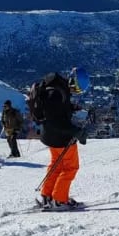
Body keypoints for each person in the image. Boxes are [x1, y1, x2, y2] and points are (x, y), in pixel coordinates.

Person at [33, 68, 88, 210]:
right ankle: (59, 200)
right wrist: (75, 131)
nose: (76, 91)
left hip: (50, 136)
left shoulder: (55, 88)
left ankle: (48, 195)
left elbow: (55, 110)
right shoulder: (56, 93)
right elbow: (55, 121)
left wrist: (71, 108)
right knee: (70, 167)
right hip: (61, 138)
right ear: (72, 80)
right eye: (76, 87)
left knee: (56, 166)